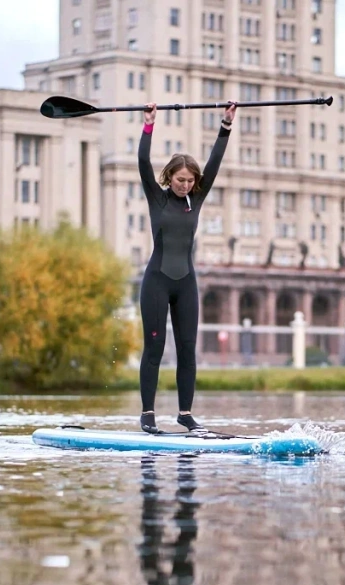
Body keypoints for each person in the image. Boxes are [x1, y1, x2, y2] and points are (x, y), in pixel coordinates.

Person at [137, 99, 237, 434]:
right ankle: (148, 415)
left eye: (190, 181)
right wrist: (149, 124)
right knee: (154, 347)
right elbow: (142, 161)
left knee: (188, 350)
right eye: (180, 180)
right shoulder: (158, 197)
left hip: (186, 283)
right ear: (170, 177)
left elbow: (216, 161)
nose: (185, 185)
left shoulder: (198, 196)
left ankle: (184, 414)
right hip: (157, 281)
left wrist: (226, 125)